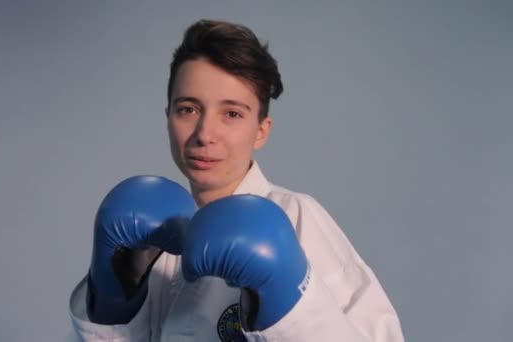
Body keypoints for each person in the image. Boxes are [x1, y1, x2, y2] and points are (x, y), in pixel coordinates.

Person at [69, 19, 405, 341]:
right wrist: (111, 302)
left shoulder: (295, 217)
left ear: (261, 131)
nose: (205, 134)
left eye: (231, 113)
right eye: (188, 109)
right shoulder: (146, 236)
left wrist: (295, 311)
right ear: (168, 115)